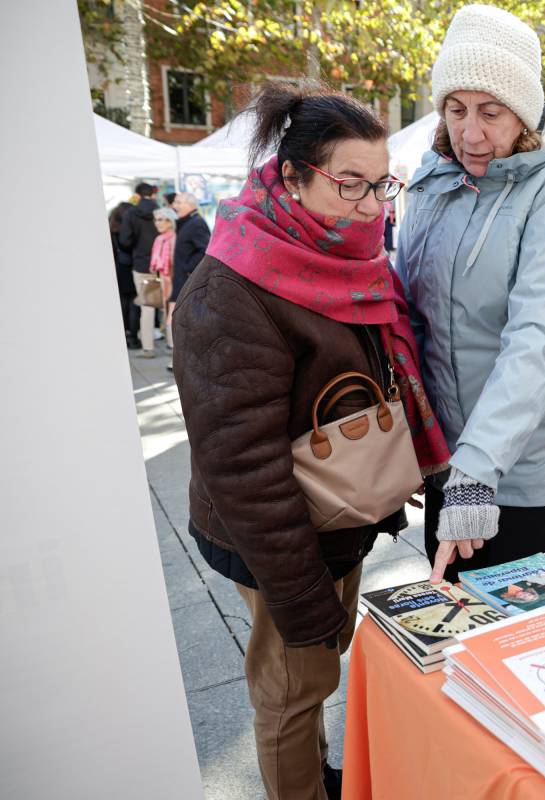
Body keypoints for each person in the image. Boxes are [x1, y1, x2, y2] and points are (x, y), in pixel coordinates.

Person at [173, 82, 451, 800]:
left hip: (334, 517)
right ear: (293, 176)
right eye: (349, 183)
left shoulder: (343, 255)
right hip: (277, 535)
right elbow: (242, 466)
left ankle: (317, 774)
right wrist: (300, 595)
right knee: (292, 687)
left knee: (315, 670)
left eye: (381, 185)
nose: (371, 206)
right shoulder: (231, 288)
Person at [396, 4, 545, 582]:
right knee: (450, 610)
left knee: (509, 619)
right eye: (456, 109)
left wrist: (479, 467)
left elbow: (540, 335)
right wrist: (413, 438)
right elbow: (410, 317)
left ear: (523, 114)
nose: (470, 132)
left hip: (531, 461)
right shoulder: (433, 182)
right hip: (449, 457)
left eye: (490, 112)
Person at [168, 192, 210, 364]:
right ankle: (179, 358)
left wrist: (188, 268)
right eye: (175, 202)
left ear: (191, 205)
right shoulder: (186, 223)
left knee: (180, 320)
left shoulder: (196, 223)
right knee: (177, 319)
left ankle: (184, 359)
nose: (174, 206)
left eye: (179, 202)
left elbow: (205, 249)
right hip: (181, 280)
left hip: (188, 281)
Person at [120, 182, 161, 356]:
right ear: (152, 194)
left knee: (147, 305)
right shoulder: (161, 212)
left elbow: (125, 240)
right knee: (169, 305)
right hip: (163, 264)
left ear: (137, 195)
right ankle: (173, 345)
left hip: (142, 264)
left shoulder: (131, 213)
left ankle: (148, 347)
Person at [109, 201, 138, 349]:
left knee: (122, 304)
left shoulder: (111, 228)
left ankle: (123, 335)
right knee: (133, 304)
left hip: (118, 268)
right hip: (130, 267)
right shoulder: (128, 232)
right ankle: (133, 337)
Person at [149, 207, 177, 346]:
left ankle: (174, 342)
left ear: (170, 221)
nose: (157, 223)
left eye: (160, 220)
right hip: (163, 278)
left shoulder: (175, 238)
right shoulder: (159, 239)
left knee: (173, 309)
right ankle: (171, 342)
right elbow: (154, 263)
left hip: (174, 279)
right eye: (156, 220)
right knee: (166, 309)